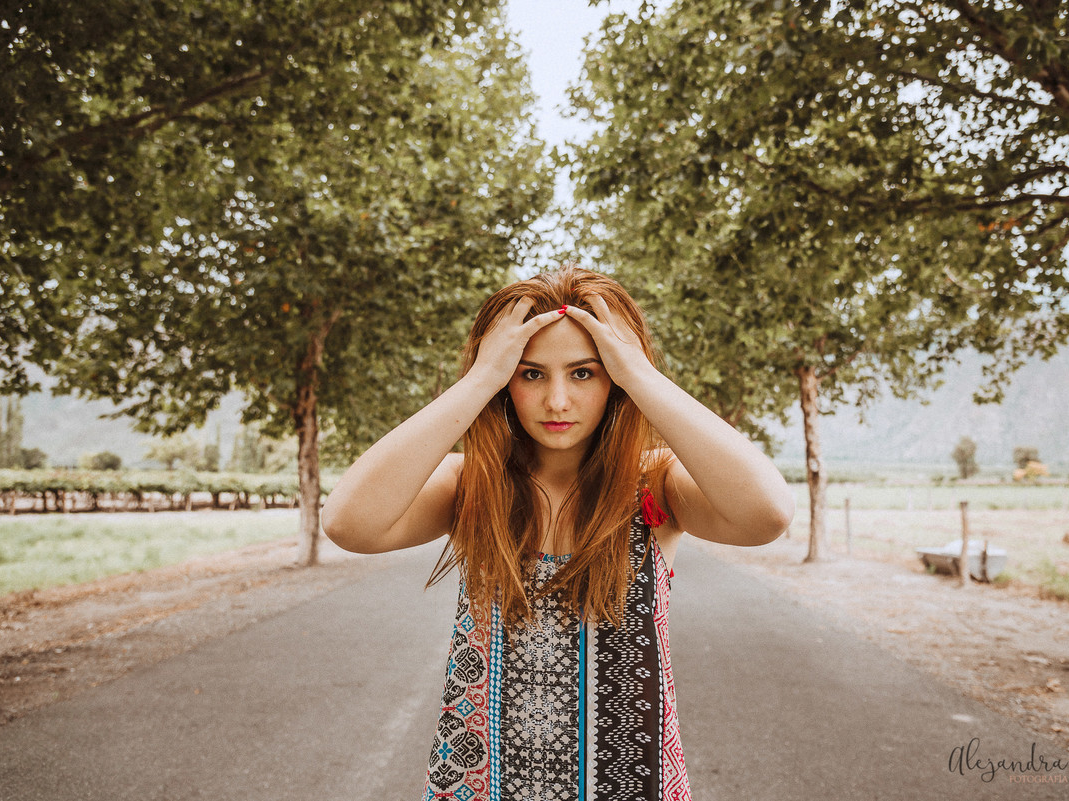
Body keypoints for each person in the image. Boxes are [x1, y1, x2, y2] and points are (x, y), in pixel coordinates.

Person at [322, 266, 794, 801]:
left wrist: (640, 375)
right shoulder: (472, 486)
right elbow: (348, 524)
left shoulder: (654, 487)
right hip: (484, 786)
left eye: (584, 373)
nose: (558, 401)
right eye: (530, 374)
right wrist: (478, 381)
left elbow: (767, 514)